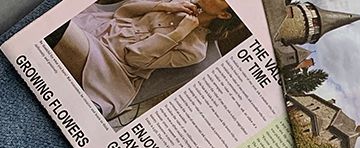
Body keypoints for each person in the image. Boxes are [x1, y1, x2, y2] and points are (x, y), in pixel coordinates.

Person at [48, 1, 241, 120]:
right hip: (99, 27)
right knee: (51, 11)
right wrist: (164, 6)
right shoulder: (180, 3)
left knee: (55, 26)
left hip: (109, 63)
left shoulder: (194, 51)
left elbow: (135, 58)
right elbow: (123, 12)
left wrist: (178, 34)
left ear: (223, 14)